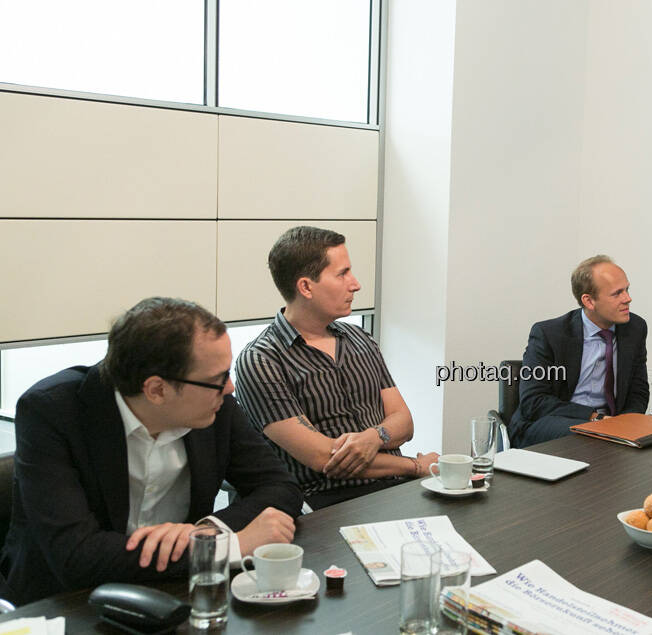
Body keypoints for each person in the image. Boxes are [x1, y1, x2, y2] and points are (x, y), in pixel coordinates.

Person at [0, 298, 303, 605]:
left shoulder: (213, 404)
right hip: (65, 602)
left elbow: (281, 487)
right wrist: (225, 547)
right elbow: (77, 557)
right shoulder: (52, 412)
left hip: (178, 591)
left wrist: (205, 532)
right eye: (217, 379)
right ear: (157, 390)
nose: (230, 388)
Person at [234, 226, 437, 510]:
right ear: (306, 287)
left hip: (394, 489)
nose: (355, 284)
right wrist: (414, 466)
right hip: (323, 503)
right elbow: (324, 458)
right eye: (342, 274)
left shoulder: (360, 339)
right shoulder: (261, 360)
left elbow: (404, 421)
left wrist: (373, 436)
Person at [508, 255, 649, 447]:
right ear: (589, 301)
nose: (628, 298)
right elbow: (534, 401)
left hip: (609, 424)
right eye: (617, 293)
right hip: (551, 420)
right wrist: (595, 418)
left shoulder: (635, 328)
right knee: (592, 440)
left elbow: (638, 391)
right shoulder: (548, 334)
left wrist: (625, 423)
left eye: (627, 289)